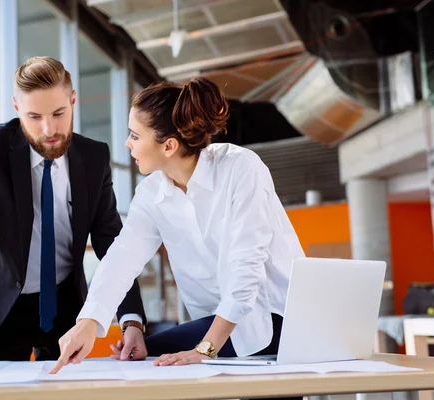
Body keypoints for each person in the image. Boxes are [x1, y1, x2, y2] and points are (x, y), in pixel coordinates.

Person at [50, 77, 305, 376]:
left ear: (169, 145)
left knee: (157, 366)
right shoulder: (151, 194)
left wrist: (205, 349)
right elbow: (121, 259)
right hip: (220, 325)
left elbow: (246, 269)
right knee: (144, 362)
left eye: (134, 135)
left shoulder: (241, 168)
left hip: (275, 321)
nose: (127, 143)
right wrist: (88, 323)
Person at [0, 56, 147, 370]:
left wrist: (132, 321)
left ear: (73, 100)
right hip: (0, 307)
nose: (49, 129)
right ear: (17, 108)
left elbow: (111, 243)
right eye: (34, 116)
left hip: (65, 306)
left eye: (59, 113)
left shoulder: (94, 156)